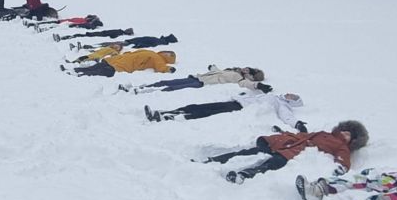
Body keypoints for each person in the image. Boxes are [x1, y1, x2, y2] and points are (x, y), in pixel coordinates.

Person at [205, 120, 368, 183]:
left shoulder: (342, 147)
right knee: (247, 153)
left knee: (269, 165)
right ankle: (213, 161)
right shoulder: (324, 133)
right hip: (282, 145)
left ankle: (243, 175)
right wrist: (278, 136)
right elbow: (299, 135)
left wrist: (340, 168)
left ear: (351, 141)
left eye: (348, 135)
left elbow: (343, 161)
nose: (345, 135)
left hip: (292, 154)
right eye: (346, 131)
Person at [146, 90, 303, 125]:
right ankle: (165, 112)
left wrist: (297, 124)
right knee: (197, 106)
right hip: (235, 102)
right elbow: (250, 94)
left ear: (292, 102)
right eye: (291, 94)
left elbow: (287, 116)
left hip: (239, 109)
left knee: (205, 112)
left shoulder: (281, 105)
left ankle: (170, 117)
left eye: (293, 97)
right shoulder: (273, 95)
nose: (290, 95)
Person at [125, 65, 266, 94]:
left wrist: (258, 85)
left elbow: (247, 85)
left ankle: (147, 92)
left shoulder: (240, 78)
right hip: (197, 77)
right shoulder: (231, 70)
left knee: (173, 88)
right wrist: (213, 67)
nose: (245, 69)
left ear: (250, 75)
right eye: (246, 68)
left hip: (201, 83)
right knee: (168, 82)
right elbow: (217, 72)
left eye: (248, 71)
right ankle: (144, 87)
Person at [67, 49, 177, 77]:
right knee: (99, 67)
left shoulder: (158, 59)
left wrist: (168, 69)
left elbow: (160, 67)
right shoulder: (153, 53)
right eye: (168, 52)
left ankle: (80, 73)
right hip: (120, 60)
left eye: (169, 55)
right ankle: (77, 71)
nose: (167, 53)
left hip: (124, 64)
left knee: (102, 70)